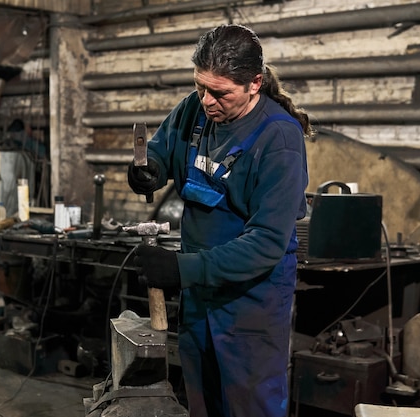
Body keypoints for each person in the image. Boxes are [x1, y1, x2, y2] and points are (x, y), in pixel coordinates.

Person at [127, 24, 313, 417]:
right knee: (203, 402)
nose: (207, 101)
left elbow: (265, 243)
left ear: (254, 83)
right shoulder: (195, 108)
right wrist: (150, 170)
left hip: (251, 303)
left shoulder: (278, 138)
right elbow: (162, 150)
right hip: (200, 294)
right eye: (200, 86)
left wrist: (182, 269)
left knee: (249, 406)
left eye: (221, 93)